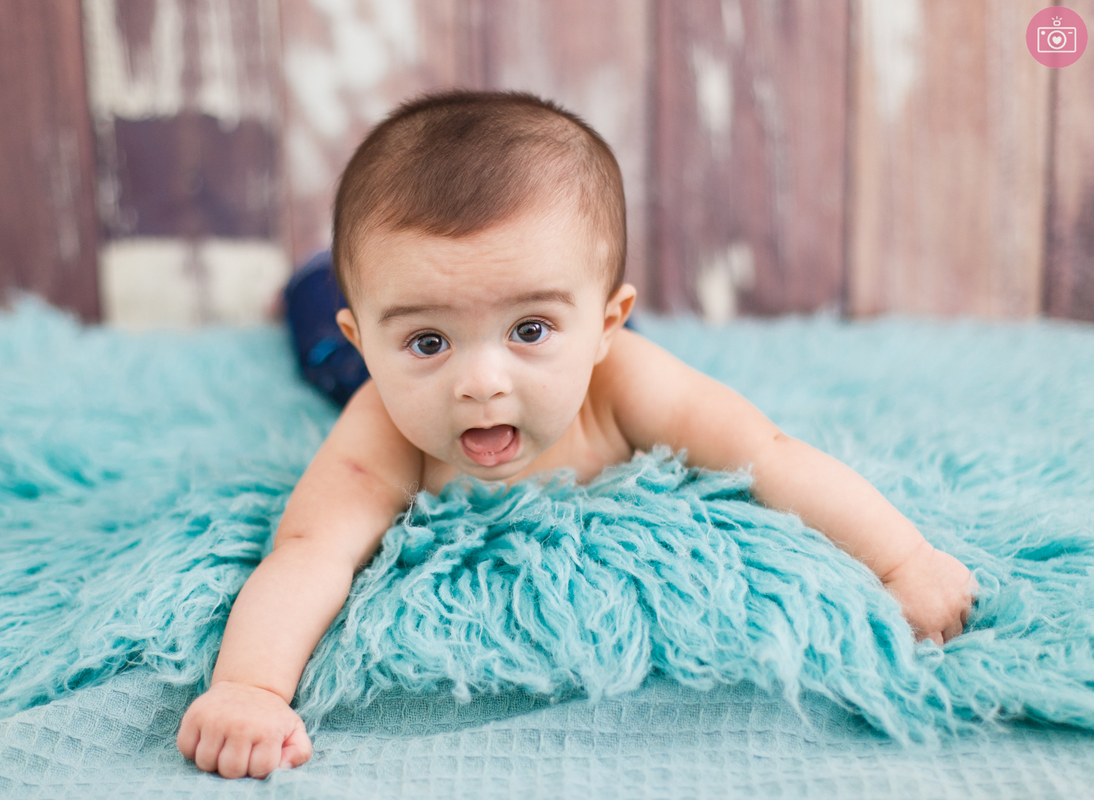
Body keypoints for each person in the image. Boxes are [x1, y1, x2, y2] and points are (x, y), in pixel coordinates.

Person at [177, 89, 974, 780]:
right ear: (372, 340)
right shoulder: (383, 418)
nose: (481, 382)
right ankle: (313, 282)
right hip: (371, 353)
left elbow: (769, 456)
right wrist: (249, 687)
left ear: (608, 323)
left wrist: (904, 559)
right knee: (320, 346)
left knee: (570, 342)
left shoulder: (629, 380)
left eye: (528, 328)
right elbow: (309, 552)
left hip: (572, 356)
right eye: (428, 341)